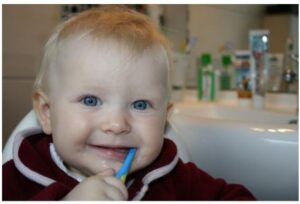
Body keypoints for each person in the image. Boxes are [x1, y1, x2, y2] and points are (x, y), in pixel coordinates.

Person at [3, 6, 255, 201]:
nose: (117, 124)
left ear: (164, 117)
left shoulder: (175, 178)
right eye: (91, 100)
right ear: (46, 113)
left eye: (141, 105)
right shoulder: (15, 180)